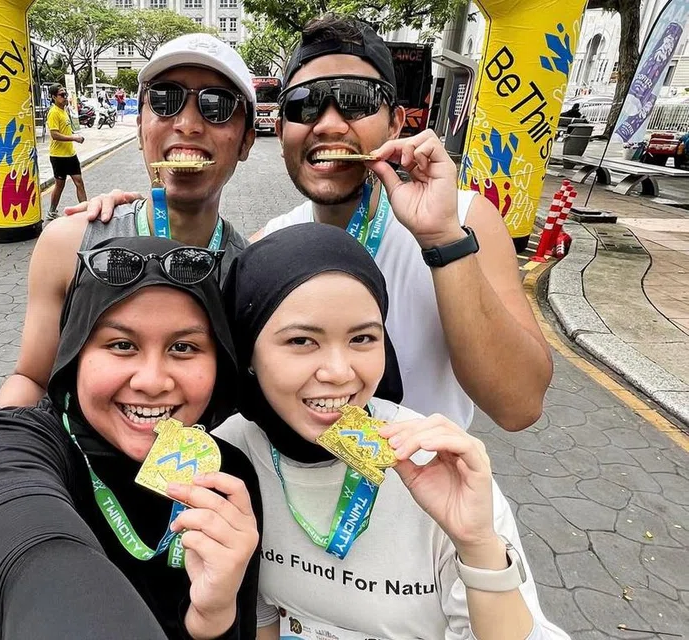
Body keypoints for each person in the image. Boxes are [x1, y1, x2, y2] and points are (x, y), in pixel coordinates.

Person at [68, 14, 552, 434]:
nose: (329, 124)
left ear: (396, 123)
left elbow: (519, 407)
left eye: (357, 100)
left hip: (425, 502)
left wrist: (442, 240)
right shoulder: (268, 247)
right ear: (280, 131)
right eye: (305, 103)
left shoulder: (464, 220)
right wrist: (125, 219)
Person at [0, 34, 258, 531]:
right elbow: (32, 378)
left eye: (216, 105)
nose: (188, 123)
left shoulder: (249, 272)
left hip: (193, 516)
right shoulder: (71, 242)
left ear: (247, 140)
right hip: (75, 498)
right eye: (165, 100)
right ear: (140, 125)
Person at [215, 223, 568, 640]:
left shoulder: (436, 463)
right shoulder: (229, 452)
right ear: (248, 350)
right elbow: (259, 612)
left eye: (362, 338)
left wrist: (477, 544)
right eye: (302, 341)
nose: (339, 372)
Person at [0, 235, 262, 639]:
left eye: (183, 347)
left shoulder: (227, 479)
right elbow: (26, 551)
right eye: (122, 345)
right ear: (75, 352)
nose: (152, 381)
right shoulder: (11, 447)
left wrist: (212, 616)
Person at [46, 83, 87, 218]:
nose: (65, 97)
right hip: (58, 156)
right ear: (53, 97)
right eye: (61, 95)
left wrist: (74, 135)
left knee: (79, 182)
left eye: (65, 94)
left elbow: (65, 130)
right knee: (60, 185)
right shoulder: (53, 113)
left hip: (70, 154)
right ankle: (52, 211)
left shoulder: (64, 110)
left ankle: (86, 211)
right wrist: (74, 138)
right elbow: (54, 135)